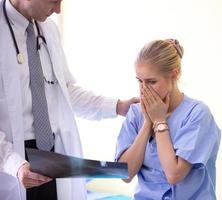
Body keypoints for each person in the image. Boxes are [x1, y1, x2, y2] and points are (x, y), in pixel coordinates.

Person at [0, 0, 138, 199]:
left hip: (52, 157)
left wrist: (117, 107)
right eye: (54, 1)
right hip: (12, 160)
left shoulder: (48, 30)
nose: (58, 9)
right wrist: (15, 164)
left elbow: (66, 93)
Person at [115, 39, 221, 200]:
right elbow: (125, 174)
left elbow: (174, 175)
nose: (143, 89)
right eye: (139, 81)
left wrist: (159, 122)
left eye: (151, 82)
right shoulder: (136, 113)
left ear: (174, 74)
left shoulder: (198, 114)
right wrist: (147, 124)